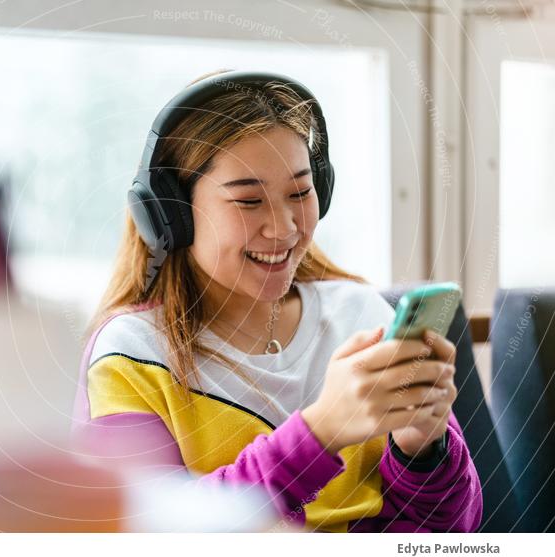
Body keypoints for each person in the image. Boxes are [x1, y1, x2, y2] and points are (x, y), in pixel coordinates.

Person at [71, 70, 482, 532]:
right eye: (248, 201)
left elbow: (448, 538)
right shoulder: (132, 356)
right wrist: (321, 431)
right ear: (171, 213)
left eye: (300, 192)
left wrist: (423, 450)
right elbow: (147, 534)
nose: (284, 228)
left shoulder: (360, 313)